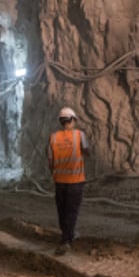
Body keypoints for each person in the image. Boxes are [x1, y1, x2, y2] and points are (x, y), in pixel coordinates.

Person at [47, 106, 89, 256]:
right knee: (72, 211)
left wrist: (54, 173)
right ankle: (66, 241)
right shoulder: (79, 135)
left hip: (59, 181)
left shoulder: (53, 137)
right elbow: (87, 151)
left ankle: (66, 235)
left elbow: (50, 160)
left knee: (62, 211)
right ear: (73, 120)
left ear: (60, 121)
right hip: (75, 181)